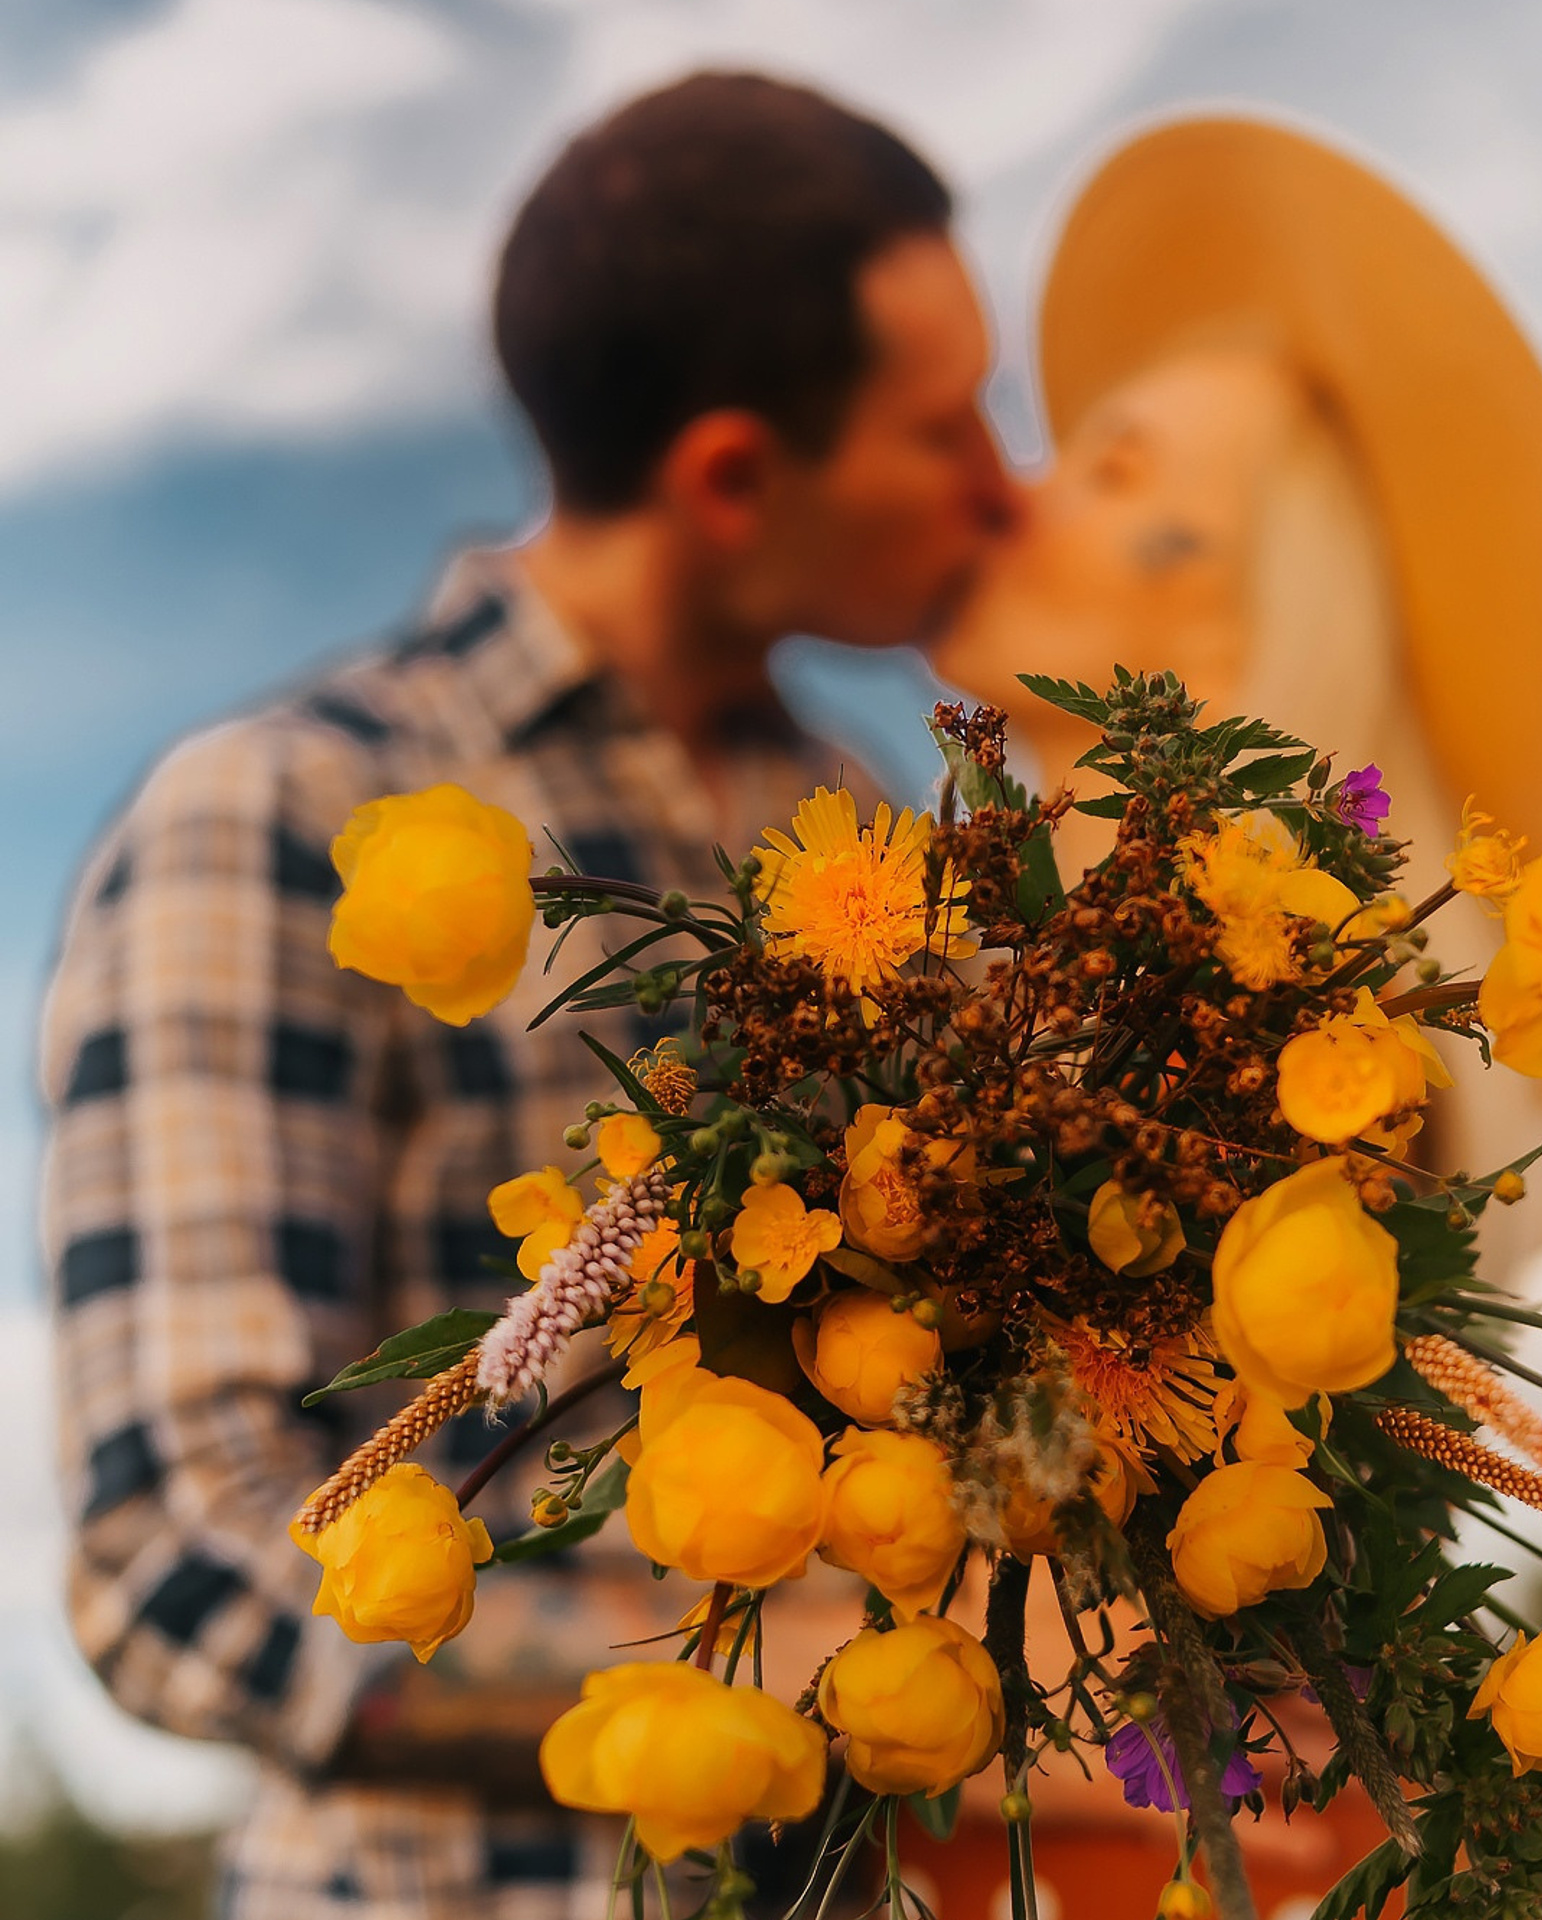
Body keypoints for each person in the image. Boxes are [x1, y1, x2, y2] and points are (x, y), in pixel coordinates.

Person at [39, 71, 1013, 1920]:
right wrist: (823, 1669)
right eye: (949, 428)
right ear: (732, 476)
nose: (1000, 488)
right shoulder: (286, 819)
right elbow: (177, 1562)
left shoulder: (884, 840)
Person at [939, 114, 1542, 1286]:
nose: (1010, 492)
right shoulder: (944, 971)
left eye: (1111, 472)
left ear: (1227, 638)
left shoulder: (1299, 1091)